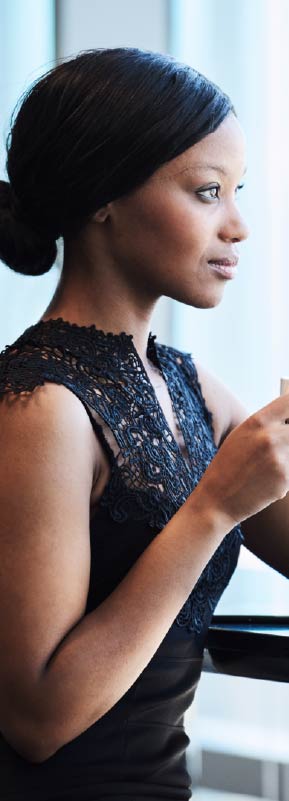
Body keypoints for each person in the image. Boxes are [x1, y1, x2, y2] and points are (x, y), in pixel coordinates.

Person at [0, 47, 288, 801]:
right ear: (103, 197)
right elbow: (37, 716)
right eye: (205, 192)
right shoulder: (40, 408)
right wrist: (214, 507)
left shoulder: (190, 386)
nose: (237, 227)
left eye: (237, 192)